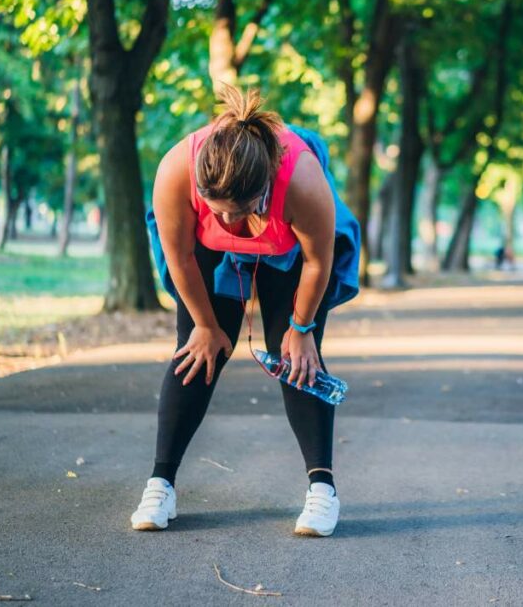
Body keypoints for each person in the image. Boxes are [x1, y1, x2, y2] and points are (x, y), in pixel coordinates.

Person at [131, 83, 360, 537]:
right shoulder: (177, 170)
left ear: (264, 189)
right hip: (206, 255)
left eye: (240, 213)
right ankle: (160, 483)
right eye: (217, 213)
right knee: (198, 352)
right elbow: (179, 257)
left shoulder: (302, 181)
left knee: (296, 357)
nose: (230, 224)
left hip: (292, 254)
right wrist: (204, 325)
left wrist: (301, 326)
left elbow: (318, 260)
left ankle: (322, 492)